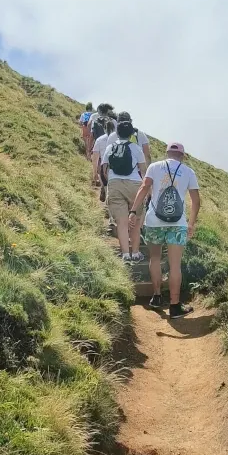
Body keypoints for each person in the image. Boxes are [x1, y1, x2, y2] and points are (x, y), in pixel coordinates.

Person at [130, 141, 200, 318]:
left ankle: (157, 297)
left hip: (154, 221)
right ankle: (175, 306)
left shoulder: (155, 167)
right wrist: (190, 223)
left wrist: (133, 211)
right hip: (178, 224)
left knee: (155, 258)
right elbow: (196, 201)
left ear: (166, 153)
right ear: (182, 156)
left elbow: (144, 187)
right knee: (175, 265)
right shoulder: (189, 172)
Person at [103, 120, 146, 261]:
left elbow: (104, 170)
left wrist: (110, 182)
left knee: (121, 223)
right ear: (131, 134)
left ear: (117, 133)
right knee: (135, 220)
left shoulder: (110, 148)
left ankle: (125, 254)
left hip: (114, 184)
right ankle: (135, 252)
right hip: (134, 185)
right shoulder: (136, 148)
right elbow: (144, 172)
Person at [90, 117, 116, 201]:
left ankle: (104, 190)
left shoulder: (99, 140)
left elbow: (95, 158)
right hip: (117, 168)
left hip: (104, 167)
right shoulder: (118, 139)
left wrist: (94, 173)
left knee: (106, 188)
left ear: (104, 128)